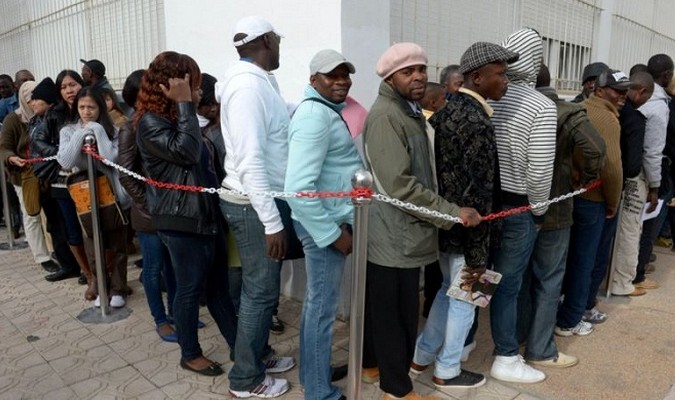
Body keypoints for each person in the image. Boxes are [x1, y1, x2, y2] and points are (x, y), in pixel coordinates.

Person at [361, 42, 481, 400]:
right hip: (393, 236)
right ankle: (396, 390)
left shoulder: (408, 110)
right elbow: (399, 186)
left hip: (407, 234)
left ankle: (374, 367)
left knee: (391, 311)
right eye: (407, 71)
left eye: (421, 70)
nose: (417, 77)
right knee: (395, 317)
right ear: (390, 77)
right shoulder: (386, 115)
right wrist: (451, 212)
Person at [411, 41, 520, 389]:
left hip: (449, 227)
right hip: (469, 231)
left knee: (447, 290)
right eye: (500, 75)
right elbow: (477, 192)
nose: (505, 82)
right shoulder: (475, 120)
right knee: (465, 299)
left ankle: (422, 355)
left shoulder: (452, 109)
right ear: (477, 77)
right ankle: (447, 369)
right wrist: (478, 251)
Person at [135, 51, 237, 375]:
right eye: (192, 84)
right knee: (189, 289)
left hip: (206, 216)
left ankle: (242, 347)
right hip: (182, 220)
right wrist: (185, 105)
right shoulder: (151, 123)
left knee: (219, 288)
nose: (198, 92)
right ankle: (189, 353)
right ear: (172, 86)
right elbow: (187, 152)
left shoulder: (180, 120)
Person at [216, 16, 295, 398]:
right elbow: (250, 162)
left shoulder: (260, 82)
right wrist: (271, 222)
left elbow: (278, 119)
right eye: (277, 39)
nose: (280, 45)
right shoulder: (248, 87)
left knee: (261, 291)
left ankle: (259, 354)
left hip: (259, 203)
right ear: (266, 40)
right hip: (253, 206)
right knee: (260, 293)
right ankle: (246, 379)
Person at [284, 48, 361, 400]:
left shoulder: (326, 111)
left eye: (345, 74)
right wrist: (333, 236)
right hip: (325, 229)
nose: (341, 81)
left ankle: (314, 373)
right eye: (332, 75)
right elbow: (298, 189)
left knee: (319, 307)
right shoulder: (315, 116)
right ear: (313, 79)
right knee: (321, 310)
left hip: (330, 221)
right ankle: (318, 391)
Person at [517, 64, 605, 369]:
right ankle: (540, 348)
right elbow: (596, 148)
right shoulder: (567, 111)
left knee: (521, 278)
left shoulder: (510, 108)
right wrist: (585, 177)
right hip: (555, 206)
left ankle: (516, 340)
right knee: (549, 279)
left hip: (517, 208)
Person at [488, 28, 557, 384]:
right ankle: (505, 355)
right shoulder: (541, 106)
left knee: (480, 277)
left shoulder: (488, 96)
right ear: (535, 60)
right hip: (518, 209)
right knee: (509, 284)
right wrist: (540, 211)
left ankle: (462, 345)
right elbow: (539, 170)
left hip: (484, 207)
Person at [557, 69, 627, 338]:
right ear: (599, 90)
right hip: (594, 199)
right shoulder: (606, 117)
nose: (621, 96)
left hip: (575, 196)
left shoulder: (580, 108)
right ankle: (572, 318)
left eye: (624, 90)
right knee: (585, 262)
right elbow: (611, 167)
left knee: (574, 258)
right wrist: (613, 200)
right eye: (616, 90)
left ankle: (569, 310)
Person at [56, 87, 131, 308]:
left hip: (112, 193)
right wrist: (81, 133)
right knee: (92, 243)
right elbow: (66, 162)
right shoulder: (68, 131)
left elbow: (109, 158)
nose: (86, 112)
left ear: (101, 107)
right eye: (81, 107)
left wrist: (97, 130)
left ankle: (118, 288)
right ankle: (100, 287)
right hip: (85, 196)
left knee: (117, 243)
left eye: (91, 107)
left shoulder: (113, 130)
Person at [118, 68, 178, 342]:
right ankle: (160, 319)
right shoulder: (129, 127)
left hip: (168, 209)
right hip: (148, 214)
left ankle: (177, 313)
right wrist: (149, 203)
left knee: (173, 266)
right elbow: (126, 174)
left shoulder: (161, 121)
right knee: (153, 268)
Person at [28, 75, 85, 284]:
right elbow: (38, 143)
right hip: (51, 178)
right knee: (61, 226)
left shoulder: (56, 115)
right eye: (64, 87)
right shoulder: (39, 118)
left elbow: (44, 144)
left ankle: (88, 271)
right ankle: (77, 268)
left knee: (78, 226)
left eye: (72, 85)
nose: (33, 103)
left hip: (70, 177)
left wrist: (61, 154)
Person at [0, 80, 60, 272]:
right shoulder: (13, 119)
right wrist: (11, 158)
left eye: (38, 98)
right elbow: (4, 147)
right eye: (30, 99)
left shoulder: (48, 116)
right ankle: (42, 257)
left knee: (52, 215)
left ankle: (57, 251)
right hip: (24, 175)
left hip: (48, 173)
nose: (34, 102)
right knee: (31, 214)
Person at [609, 71, 655, 298]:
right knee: (629, 231)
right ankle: (622, 283)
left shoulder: (611, 112)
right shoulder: (635, 119)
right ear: (641, 91)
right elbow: (635, 164)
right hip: (628, 183)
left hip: (604, 181)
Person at [631, 54, 674, 292]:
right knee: (648, 226)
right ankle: (637, 274)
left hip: (636, 172)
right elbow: (653, 151)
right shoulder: (657, 104)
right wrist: (656, 186)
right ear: (666, 74)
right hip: (647, 176)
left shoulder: (646, 98)